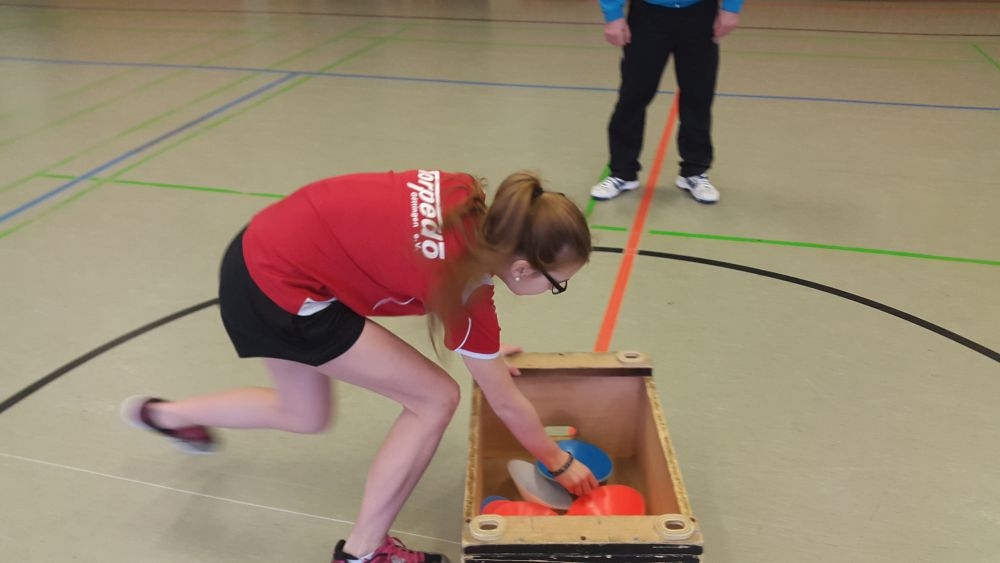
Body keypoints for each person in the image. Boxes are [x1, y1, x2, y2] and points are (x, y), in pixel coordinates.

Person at [120, 169, 599, 563]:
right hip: (286, 291)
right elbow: (505, 403)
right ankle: (364, 552)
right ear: (523, 269)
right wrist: (558, 461)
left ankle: (163, 414)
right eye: (557, 283)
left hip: (255, 253)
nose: (553, 291)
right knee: (435, 399)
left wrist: (484, 353)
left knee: (303, 414)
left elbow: (412, 257)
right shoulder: (469, 293)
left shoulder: (462, 194)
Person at [589, 0, 744, 204]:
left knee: (698, 96)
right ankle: (622, 172)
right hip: (647, 15)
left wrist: (731, 8)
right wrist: (613, 15)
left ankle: (694, 172)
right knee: (633, 97)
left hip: (700, 14)